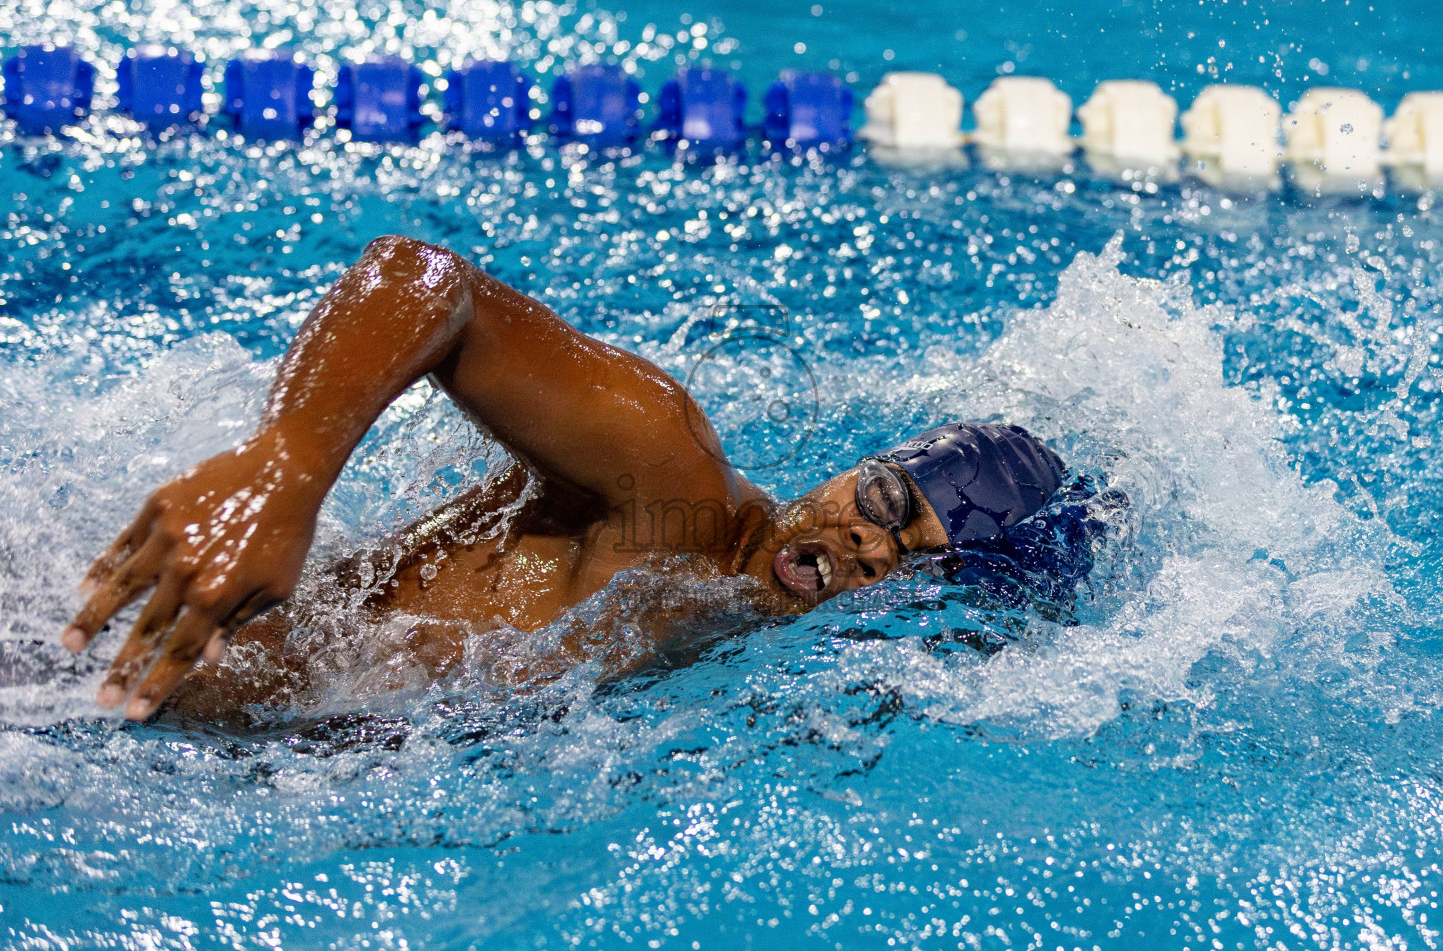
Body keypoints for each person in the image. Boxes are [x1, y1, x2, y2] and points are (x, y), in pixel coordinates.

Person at [60, 236, 1067, 721]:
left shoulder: (755, 650)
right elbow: (422, 281)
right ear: (857, 469)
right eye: (886, 504)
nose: (866, 543)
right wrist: (283, 469)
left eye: (906, 554)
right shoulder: (667, 469)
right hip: (115, 668)